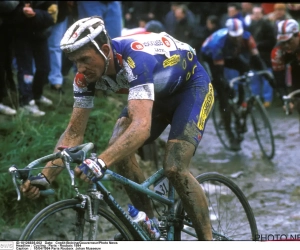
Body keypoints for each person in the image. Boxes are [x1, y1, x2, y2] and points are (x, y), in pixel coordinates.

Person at [20, 16, 214, 241]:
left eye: (84, 59)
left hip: (191, 87)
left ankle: (207, 241)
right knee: (118, 148)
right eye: (75, 62)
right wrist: (45, 177)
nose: (80, 68)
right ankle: (148, 227)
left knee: (174, 166)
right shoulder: (84, 78)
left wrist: (100, 162)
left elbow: (141, 127)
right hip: (155, 95)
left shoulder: (135, 61)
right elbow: (74, 133)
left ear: (104, 49)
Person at [201, 18, 273, 151]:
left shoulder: (247, 37)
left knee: (245, 68)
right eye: (235, 37)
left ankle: (240, 102)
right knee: (223, 92)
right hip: (210, 57)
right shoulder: (218, 43)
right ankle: (230, 135)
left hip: (230, 54)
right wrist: (225, 85)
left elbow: (256, 58)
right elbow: (219, 72)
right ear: (229, 34)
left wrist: (267, 75)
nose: (238, 38)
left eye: (239, 36)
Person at [248, 5, 277, 108]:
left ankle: (267, 99)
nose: (256, 15)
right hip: (254, 57)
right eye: (254, 13)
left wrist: (258, 45)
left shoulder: (267, 25)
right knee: (255, 78)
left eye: (258, 13)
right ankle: (257, 98)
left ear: (262, 14)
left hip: (264, 55)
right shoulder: (251, 25)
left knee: (265, 77)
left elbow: (272, 41)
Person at [271, 18, 300, 113]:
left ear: (297, 36)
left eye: (289, 41)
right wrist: (286, 102)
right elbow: (279, 81)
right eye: (283, 42)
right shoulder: (277, 51)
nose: (286, 45)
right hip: (296, 68)